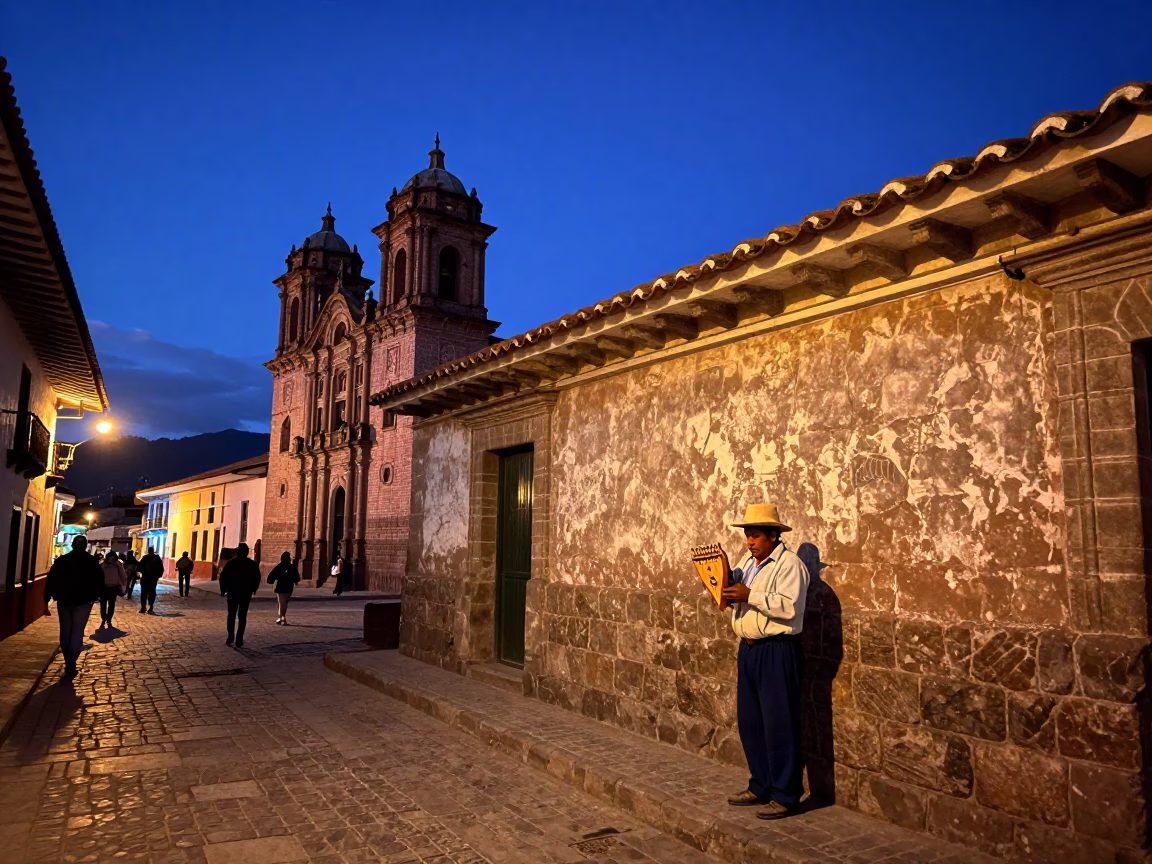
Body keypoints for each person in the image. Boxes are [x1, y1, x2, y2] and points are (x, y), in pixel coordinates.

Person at [719, 503, 810, 820]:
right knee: (751, 721)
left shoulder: (790, 566)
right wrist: (725, 593)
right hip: (749, 650)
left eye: (756, 535)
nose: (749, 541)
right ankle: (760, 785)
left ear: (773, 535)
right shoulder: (749, 563)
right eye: (747, 535)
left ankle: (786, 795)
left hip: (776, 650)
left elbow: (789, 607)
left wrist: (749, 595)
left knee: (779, 722)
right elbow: (739, 599)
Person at [45, 535, 103, 677]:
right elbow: (100, 581)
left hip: (64, 601)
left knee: (65, 630)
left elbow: (51, 579)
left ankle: (68, 662)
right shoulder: (92, 562)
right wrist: (97, 595)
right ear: (85, 546)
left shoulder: (62, 561)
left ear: (72, 545)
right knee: (77, 631)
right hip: (84, 601)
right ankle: (71, 662)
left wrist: (47, 598)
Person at [218, 542, 261, 647]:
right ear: (246, 553)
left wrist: (223, 590)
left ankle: (230, 636)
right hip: (245, 593)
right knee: (242, 616)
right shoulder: (252, 564)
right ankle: (239, 638)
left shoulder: (231, 563)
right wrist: (253, 589)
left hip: (233, 592)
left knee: (231, 615)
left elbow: (223, 577)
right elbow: (257, 578)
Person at [268, 551, 301, 624]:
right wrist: (295, 582)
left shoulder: (279, 566)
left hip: (280, 587)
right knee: (284, 603)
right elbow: (296, 577)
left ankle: (282, 617)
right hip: (289, 587)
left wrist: (271, 581)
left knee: (281, 602)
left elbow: (271, 575)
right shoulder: (292, 567)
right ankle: (281, 617)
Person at [98, 550, 128, 628]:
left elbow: (123, 575)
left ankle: (107, 619)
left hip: (110, 587)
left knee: (109, 604)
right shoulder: (116, 564)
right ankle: (106, 619)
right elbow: (123, 575)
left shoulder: (104, 564)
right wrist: (124, 584)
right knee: (106, 604)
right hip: (106, 587)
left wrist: (123, 584)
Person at [138, 546, 164, 613]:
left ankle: (143, 607)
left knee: (144, 593)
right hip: (153, 579)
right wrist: (158, 576)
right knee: (152, 592)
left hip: (145, 578)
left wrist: (143, 572)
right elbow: (161, 568)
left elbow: (138, 567)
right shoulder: (157, 558)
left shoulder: (145, 558)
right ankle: (151, 607)